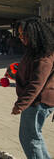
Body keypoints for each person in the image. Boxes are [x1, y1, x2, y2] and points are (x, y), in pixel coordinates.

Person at [12, 17, 54, 159]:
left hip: (37, 103)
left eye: (24, 35)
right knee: (35, 137)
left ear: (35, 34)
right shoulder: (35, 50)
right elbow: (31, 71)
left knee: (29, 139)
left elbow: (36, 84)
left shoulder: (44, 56)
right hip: (36, 102)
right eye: (19, 35)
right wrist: (15, 71)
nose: (21, 38)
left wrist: (20, 105)